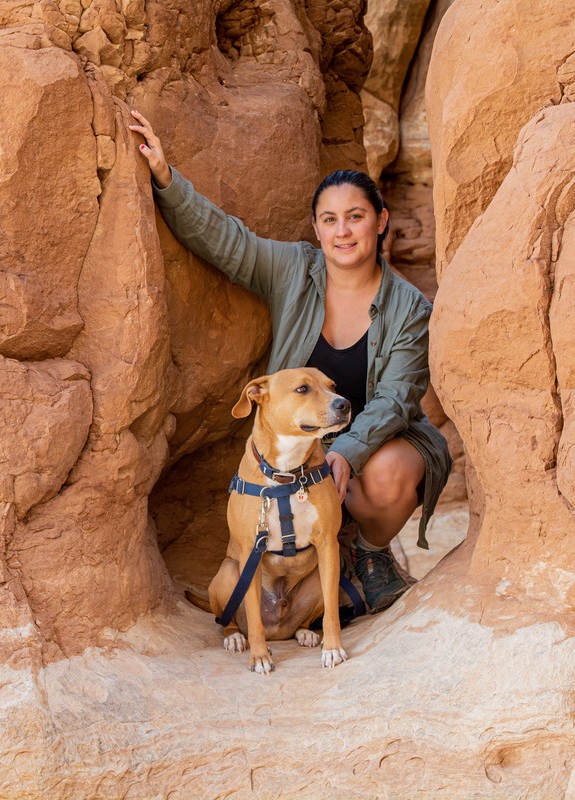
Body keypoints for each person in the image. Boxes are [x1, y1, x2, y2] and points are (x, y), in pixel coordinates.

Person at [129, 110, 452, 614]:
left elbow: (396, 398)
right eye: (330, 219)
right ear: (317, 228)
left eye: (356, 216)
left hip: (380, 436)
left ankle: (366, 554)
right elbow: (226, 241)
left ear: (381, 220)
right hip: (300, 440)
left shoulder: (411, 307)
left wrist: (346, 451)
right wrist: (167, 179)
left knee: (386, 475)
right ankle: (316, 563)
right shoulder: (294, 271)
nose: (343, 231)